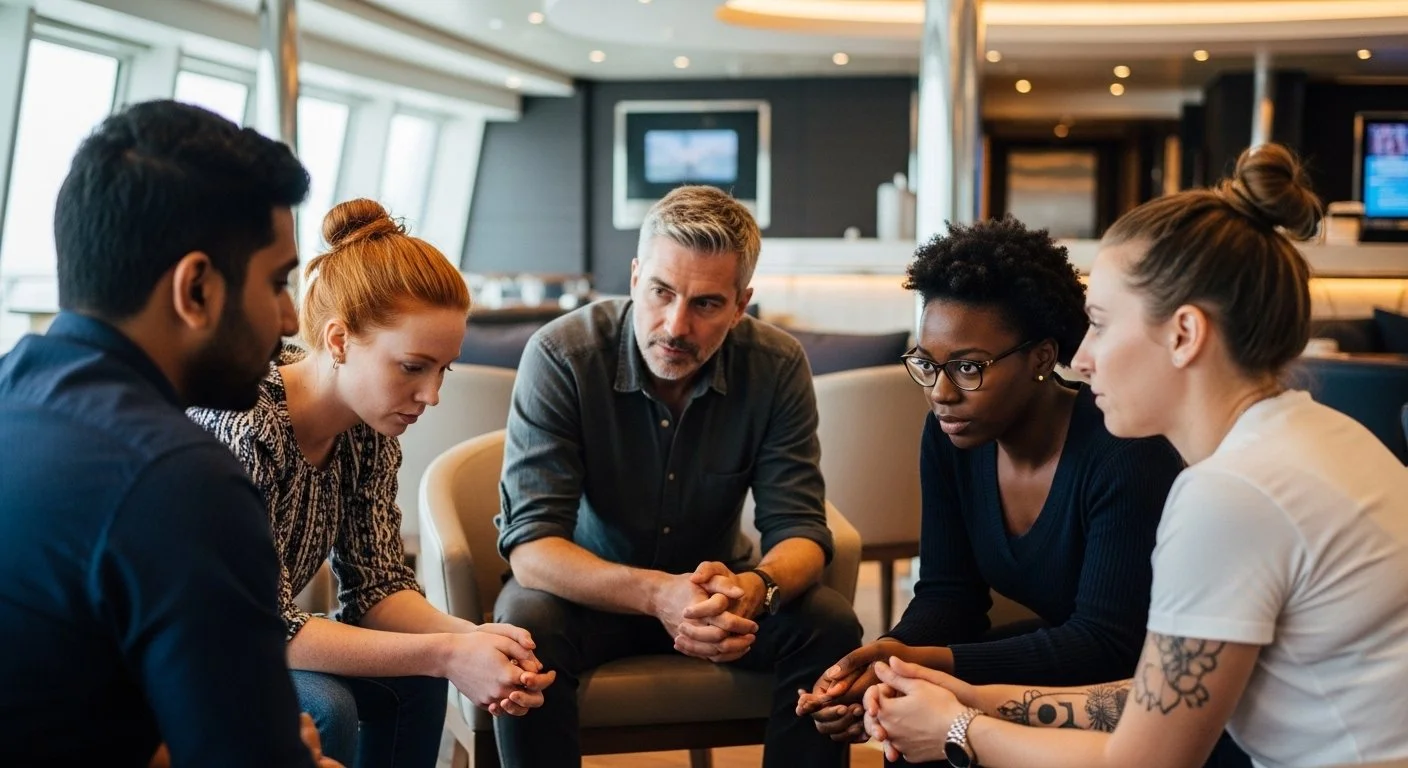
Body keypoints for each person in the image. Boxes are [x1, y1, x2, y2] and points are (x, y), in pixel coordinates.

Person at [862, 144, 1408, 768]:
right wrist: (975, 695)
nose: (1083, 355)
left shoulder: (1230, 496)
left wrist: (959, 728)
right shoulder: (1316, 439)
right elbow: (1162, 698)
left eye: (1099, 323)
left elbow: (1146, 760)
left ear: (1183, 334)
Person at [0, 100, 331, 766]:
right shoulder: (179, 480)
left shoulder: (14, 392)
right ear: (197, 290)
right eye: (277, 283)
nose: (292, 321)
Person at [492, 184, 863, 767]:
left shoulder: (777, 365)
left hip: (720, 597)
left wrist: (755, 589)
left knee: (829, 623)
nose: (675, 325)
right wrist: (656, 594)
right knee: (524, 626)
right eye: (661, 292)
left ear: (741, 304)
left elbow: (801, 529)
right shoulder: (562, 355)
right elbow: (532, 550)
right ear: (636, 277)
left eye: (706, 304)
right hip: (591, 594)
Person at [797, 218, 1189, 763]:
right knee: (901, 709)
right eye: (927, 364)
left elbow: (1107, 644)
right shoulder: (950, 438)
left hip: (1148, 694)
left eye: (969, 367)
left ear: (1043, 357)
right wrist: (888, 664)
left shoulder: (1122, 453)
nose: (941, 392)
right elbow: (947, 593)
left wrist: (924, 664)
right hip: (1070, 657)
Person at [189, 198, 554, 768]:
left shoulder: (368, 431)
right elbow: (262, 626)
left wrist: (478, 643)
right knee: (327, 706)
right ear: (338, 342)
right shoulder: (245, 423)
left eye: (443, 370)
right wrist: (447, 653)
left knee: (416, 679)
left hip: (255, 642)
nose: (432, 395)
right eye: (413, 367)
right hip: (183, 652)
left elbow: (377, 588)